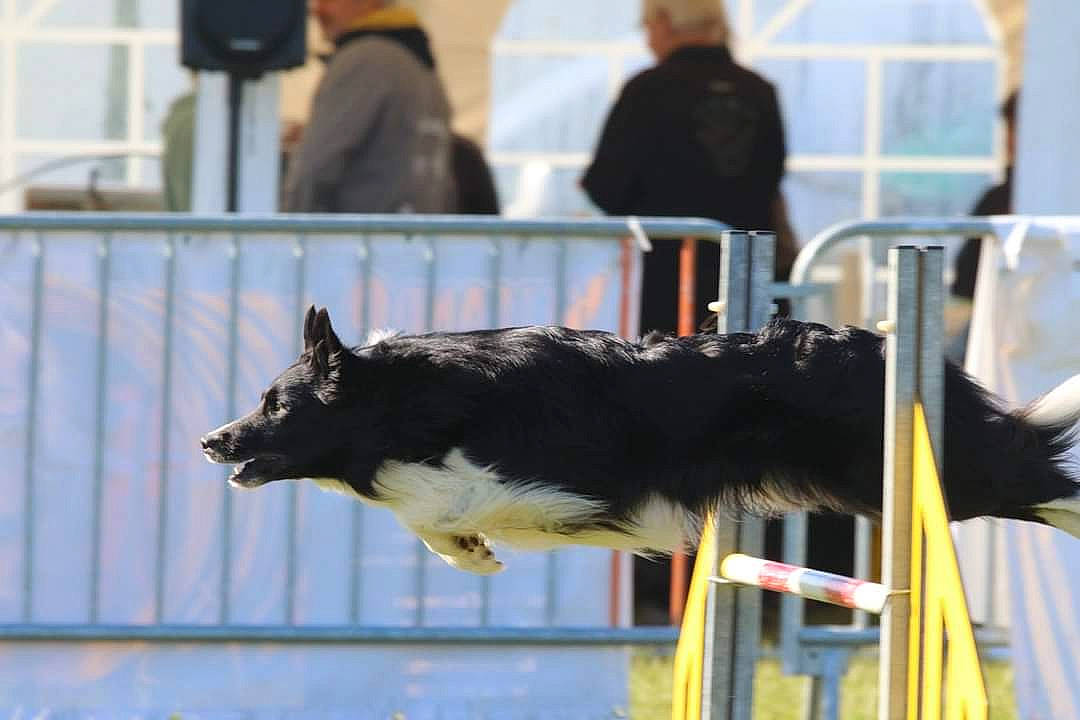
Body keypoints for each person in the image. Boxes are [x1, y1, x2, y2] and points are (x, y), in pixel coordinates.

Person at [582, 0, 795, 335]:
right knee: (745, 360)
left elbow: (606, 187)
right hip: (745, 276)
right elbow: (772, 177)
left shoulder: (646, 90)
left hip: (666, 278)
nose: (647, 37)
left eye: (646, 26)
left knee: (667, 363)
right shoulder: (760, 91)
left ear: (665, 22)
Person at [283, 0, 455, 213]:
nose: (317, 10)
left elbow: (313, 169)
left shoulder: (363, 59)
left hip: (360, 230)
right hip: (413, 228)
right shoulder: (421, 66)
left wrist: (294, 229)